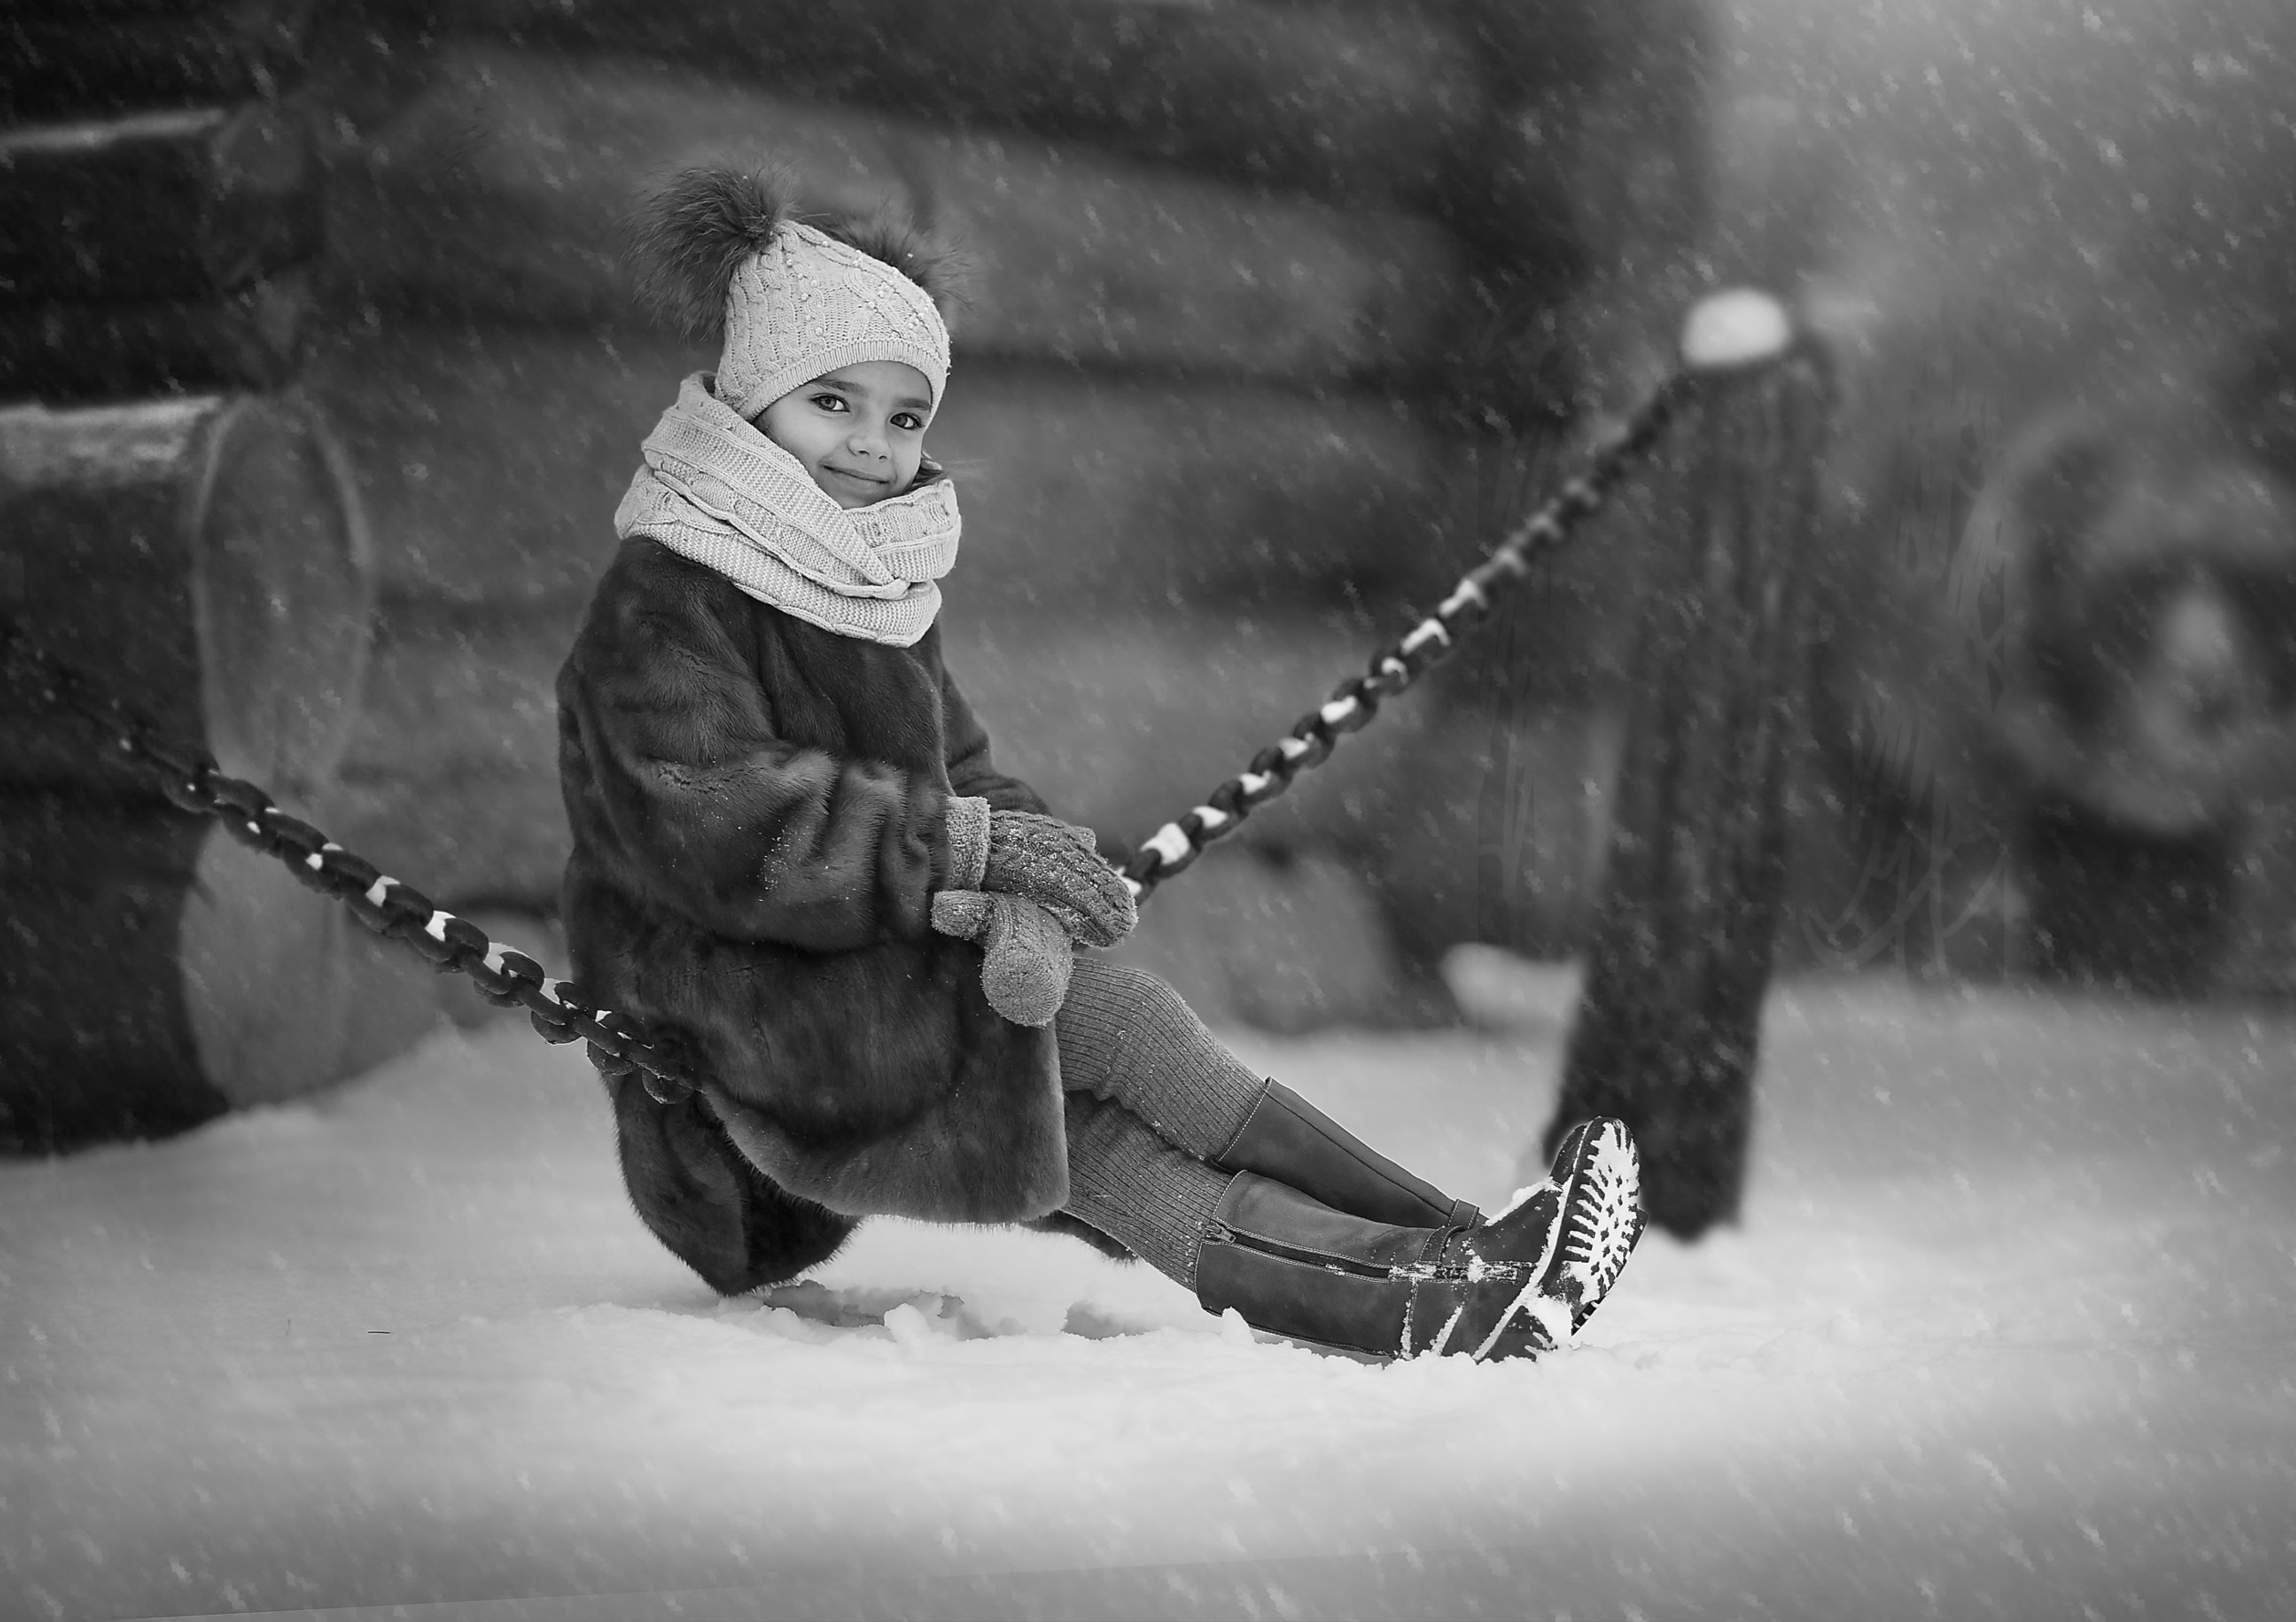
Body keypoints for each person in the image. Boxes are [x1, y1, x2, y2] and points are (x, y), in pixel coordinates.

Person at [554, 165, 1645, 1362]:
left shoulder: (860, 578)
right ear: (754, 399)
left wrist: (1035, 862)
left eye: (905, 417)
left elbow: (957, 765)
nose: (872, 444)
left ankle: (1456, 1253)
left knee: (1119, 1047)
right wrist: (964, 850)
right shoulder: (670, 592)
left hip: (859, 954)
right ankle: (1429, 1294)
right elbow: (716, 826)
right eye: (833, 402)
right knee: (1069, 1092)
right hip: (731, 999)